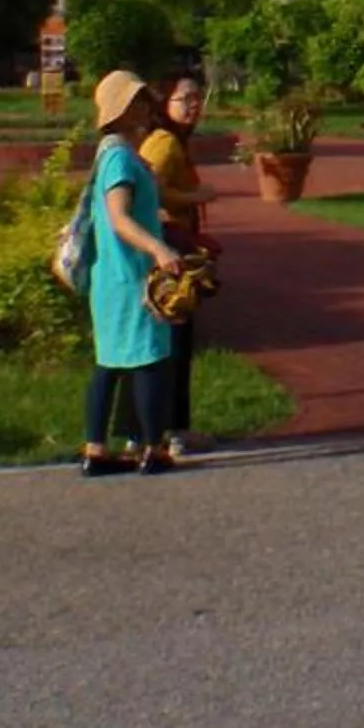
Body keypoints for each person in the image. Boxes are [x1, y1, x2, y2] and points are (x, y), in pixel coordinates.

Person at [81, 70, 183, 476]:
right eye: (137, 100)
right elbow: (119, 217)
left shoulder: (112, 154)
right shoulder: (120, 158)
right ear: (120, 109)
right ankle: (152, 448)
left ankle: (95, 449)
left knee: (108, 364)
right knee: (148, 359)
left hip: (110, 277)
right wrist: (159, 248)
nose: (145, 107)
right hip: (130, 277)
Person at [135, 68, 212, 456]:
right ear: (165, 103)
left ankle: (169, 428)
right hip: (169, 254)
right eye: (185, 99)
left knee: (175, 342)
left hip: (173, 248)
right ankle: (170, 430)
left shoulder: (172, 140)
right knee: (174, 342)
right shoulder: (164, 143)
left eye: (198, 98)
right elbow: (152, 190)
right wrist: (195, 197)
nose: (193, 106)